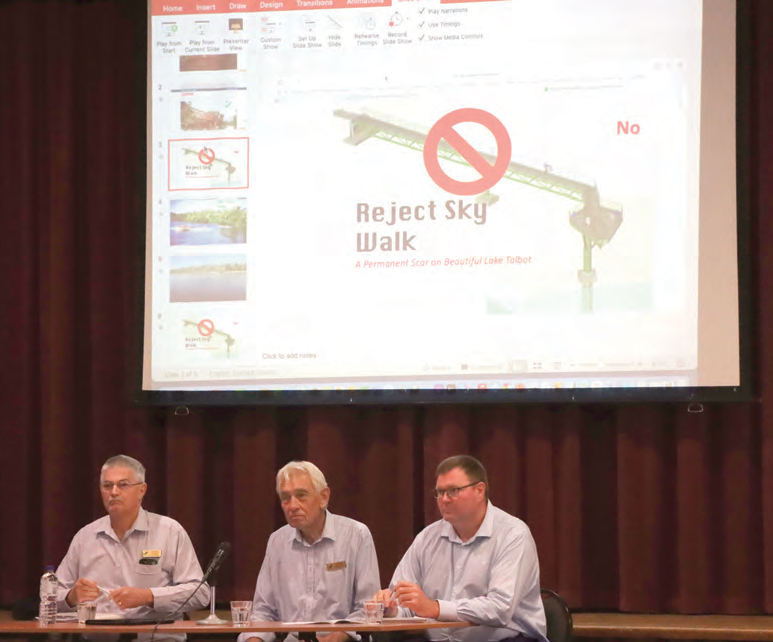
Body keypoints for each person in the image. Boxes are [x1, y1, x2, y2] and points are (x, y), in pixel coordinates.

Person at [374, 455, 547, 642]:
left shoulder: (512, 534)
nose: (444, 499)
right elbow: (410, 605)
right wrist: (391, 609)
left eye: (453, 491)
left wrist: (435, 608)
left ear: (480, 490)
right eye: (440, 492)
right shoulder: (427, 538)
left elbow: (500, 608)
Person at [55, 455, 210, 629]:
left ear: (142, 490)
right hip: (96, 637)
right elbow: (50, 598)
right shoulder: (85, 536)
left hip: (153, 637)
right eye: (107, 485)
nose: (114, 492)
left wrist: (148, 596)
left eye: (123, 485)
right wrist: (71, 597)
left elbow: (200, 593)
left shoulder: (170, 532)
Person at [240, 461, 380, 642]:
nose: (293, 505)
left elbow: (368, 607)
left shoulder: (356, 535)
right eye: (285, 498)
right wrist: (254, 639)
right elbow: (264, 611)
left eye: (301, 495)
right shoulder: (277, 541)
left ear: (324, 497)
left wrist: (336, 637)